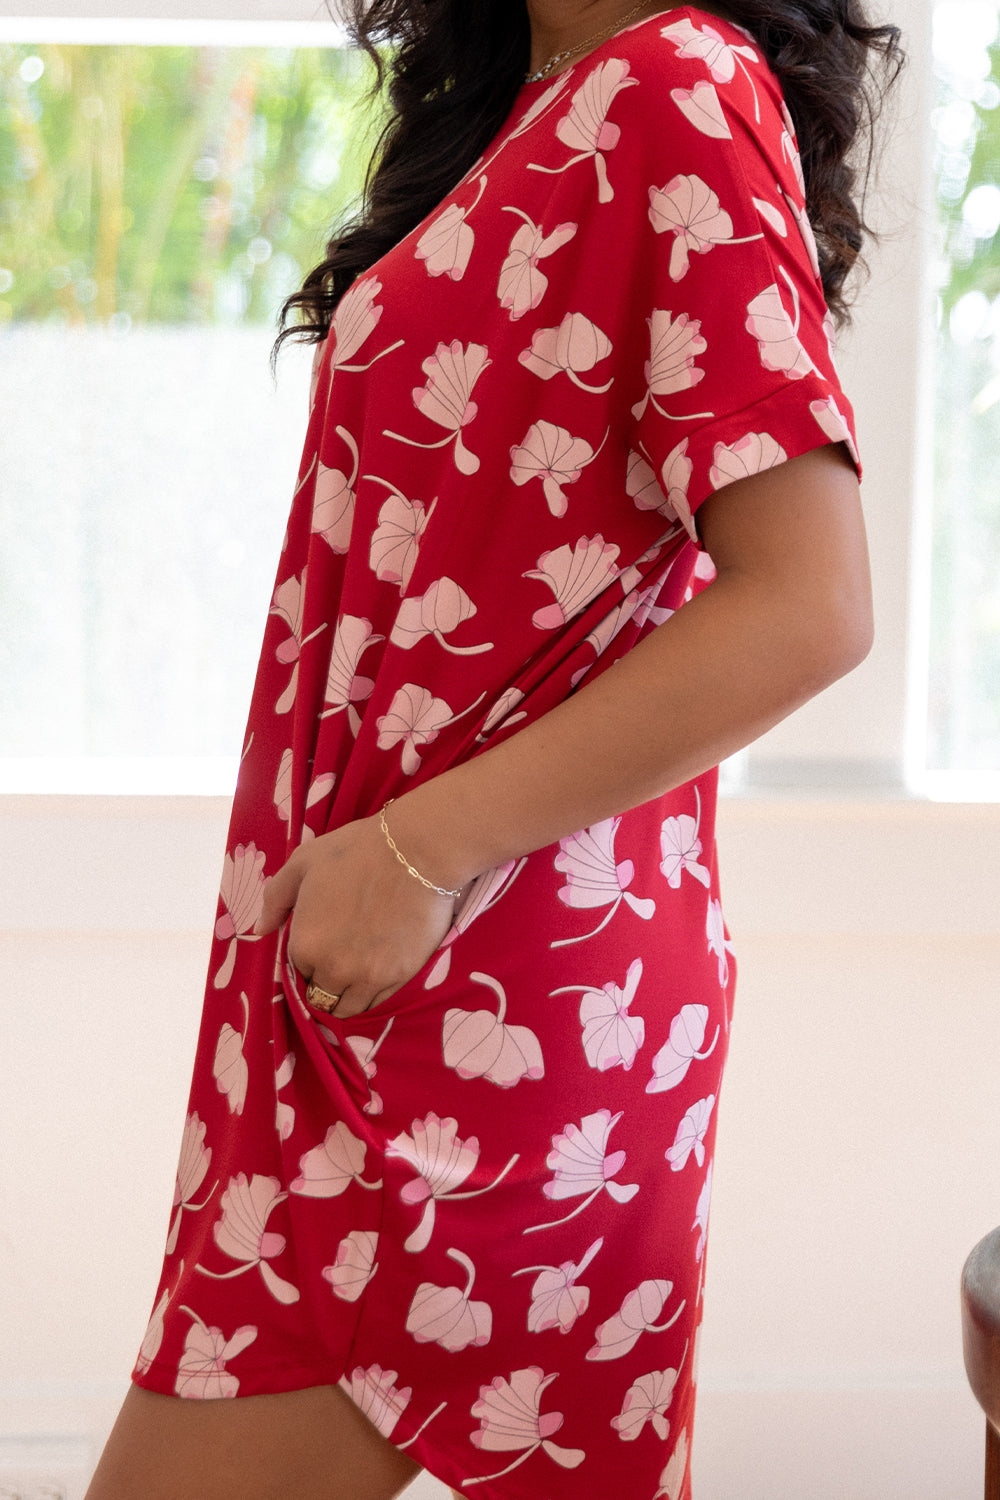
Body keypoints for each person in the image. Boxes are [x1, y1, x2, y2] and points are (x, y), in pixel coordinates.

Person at [85, 1, 903, 1497]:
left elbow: (810, 604)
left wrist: (415, 852)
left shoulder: (676, 82)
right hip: (392, 966)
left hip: (486, 993)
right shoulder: (531, 99)